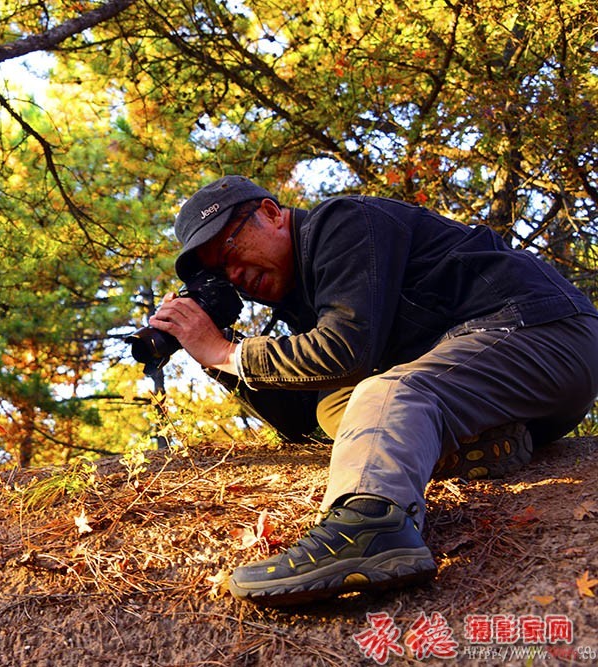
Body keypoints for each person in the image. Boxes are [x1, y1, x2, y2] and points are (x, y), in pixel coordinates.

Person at [148, 175, 598, 607]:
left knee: (386, 393)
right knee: (335, 409)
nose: (235, 274)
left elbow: (347, 351)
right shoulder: (304, 297)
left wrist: (228, 352)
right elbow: (298, 421)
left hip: (541, 330)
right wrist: (215, 355)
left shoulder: (341, 222)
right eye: (220, 273)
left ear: (271, 213)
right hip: (507, 393)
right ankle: (481, 446)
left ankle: (370, 529)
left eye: (228, 249)